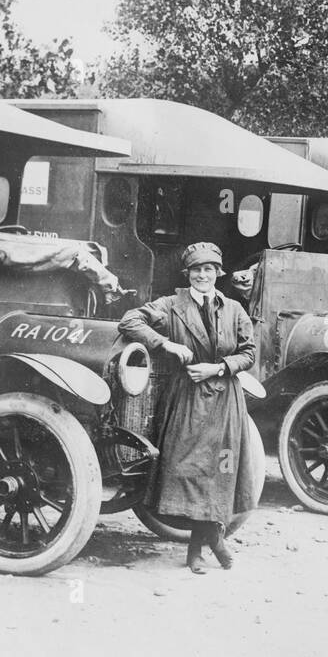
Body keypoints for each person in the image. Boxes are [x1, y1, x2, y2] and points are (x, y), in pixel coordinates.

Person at [118, 242, 258, 573]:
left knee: (220, 472)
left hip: (225, 401)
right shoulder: (171, 305)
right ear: (188, 274)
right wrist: (165, 343)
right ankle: (215, 540)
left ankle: (197, 549)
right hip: (187, 402)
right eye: (196, 270)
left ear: (218, 274)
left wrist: (219, 367)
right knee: (184, 470)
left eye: (209, 269)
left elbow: (249, 353)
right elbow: (130, 320)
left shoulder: (234, 309)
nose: (202, 275)